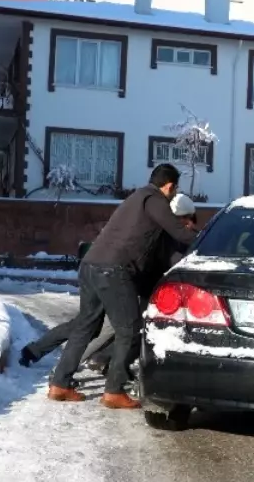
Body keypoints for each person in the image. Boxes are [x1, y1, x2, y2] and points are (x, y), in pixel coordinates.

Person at [47, 164, 196, 409]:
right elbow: (180, 232)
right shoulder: (155, 199)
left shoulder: (136, 198)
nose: (174, 192)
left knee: (86, 325)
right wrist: (208, 240)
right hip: (113, 270)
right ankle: (114, 391)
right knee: (130, 330)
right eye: (175, 187)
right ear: (169, 186)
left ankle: (60, 384)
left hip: (91, 264)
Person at [18, 192, 198, 368]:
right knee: (104, 329)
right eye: (187, 219)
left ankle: (36, 351)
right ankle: (73, 369)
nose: (189, 224)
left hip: (114, 278)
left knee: (85, 324)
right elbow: (171, 261)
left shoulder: (149, 226)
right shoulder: (162, 234)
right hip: (121, 283)